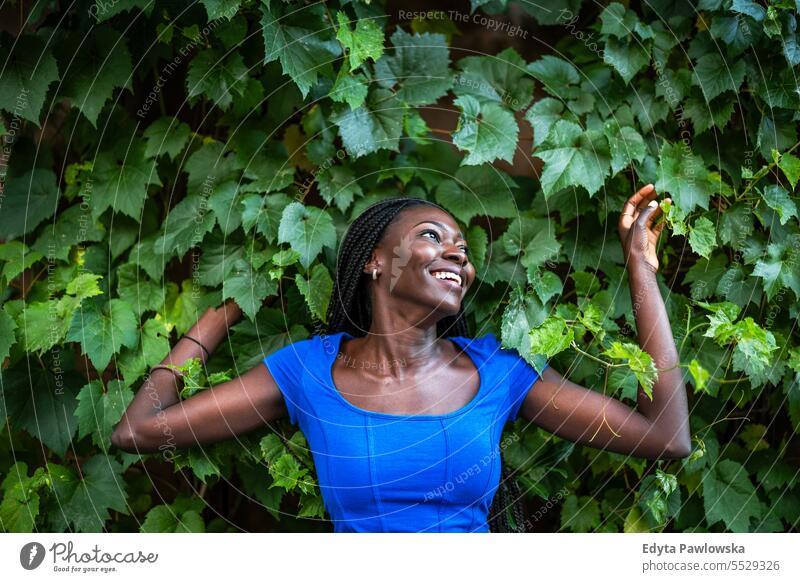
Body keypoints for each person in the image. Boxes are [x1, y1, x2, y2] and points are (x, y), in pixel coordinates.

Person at [112, 185, 691, 533]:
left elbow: (666, 437)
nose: (458, 254)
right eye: (433, 236)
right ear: (376, 262)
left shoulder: (500, 372)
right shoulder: (306, 372)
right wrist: (212, 324)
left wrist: (640, 268)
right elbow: (139, 431)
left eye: (462, 249)